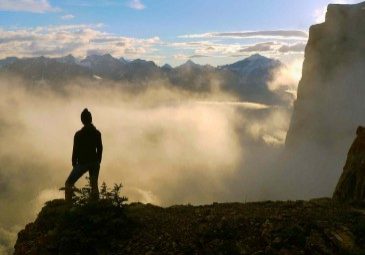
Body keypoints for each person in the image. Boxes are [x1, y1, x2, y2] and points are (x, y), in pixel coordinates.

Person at [65, 108, 103, 203]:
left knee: (68, 183)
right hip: (94, 162)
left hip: (82, 163)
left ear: (82, 120)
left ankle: (68, 205)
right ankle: (96, 206)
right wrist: (98, 161)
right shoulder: (97, 133)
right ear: (91, 119)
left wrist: (74, 164)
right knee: (94, 185)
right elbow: (100, 148)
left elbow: (75, 150)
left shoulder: (78, 134)